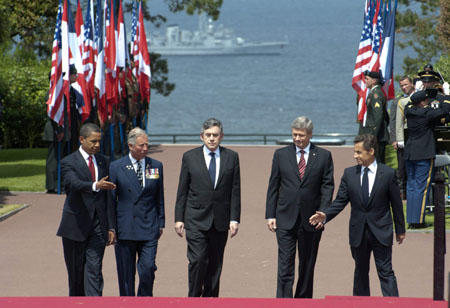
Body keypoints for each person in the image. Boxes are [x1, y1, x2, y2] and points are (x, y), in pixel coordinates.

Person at [309, 134, 406, 297]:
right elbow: (340, 200)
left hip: (381, 231)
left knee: (385, 271)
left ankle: (393, 304)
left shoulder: (388, 174)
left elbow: (396, 204)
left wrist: (400, 230)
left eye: (359, 152)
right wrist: (325, 216)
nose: (355, 156)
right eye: (355, 152)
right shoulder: (349, 174)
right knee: (360, 272)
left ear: (371, 151)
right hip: (358, 232)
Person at [265, 116, 334, 298]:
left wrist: (323, 213)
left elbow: (327, 187)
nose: (297, 139)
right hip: (285, 219)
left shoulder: (324, 156)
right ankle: (284, 302)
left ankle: (303, 301)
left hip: (311, 220)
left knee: (307, 265)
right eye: (294, 135)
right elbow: (273, 185)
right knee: (285, 265)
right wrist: (270, 215)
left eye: (301, 135)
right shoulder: (281, 155)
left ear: (310, 134)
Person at [174, 118, 241, 297]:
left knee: (215, 264)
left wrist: (234, 219)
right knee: (197, 260)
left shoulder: (232, 157)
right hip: (195, 218)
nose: (212, 138)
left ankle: (211, 300)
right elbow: (182, 190)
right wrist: (179, 218)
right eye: (208, 135)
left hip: (220, 220)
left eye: (215, 135)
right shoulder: (190, 157)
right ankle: (194, 298)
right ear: (202, 137)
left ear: (222, 137)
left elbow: (235, 190)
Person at [56, 123, 116, 296]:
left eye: (99, 141)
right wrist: (95, 185)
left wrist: (111, 226)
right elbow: (72, 183)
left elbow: (108, 197)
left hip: (98, 227)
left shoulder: (104, 160)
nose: (97, 145)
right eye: (93, 141)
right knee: (76, 275)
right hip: (75, 226)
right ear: (81, 139)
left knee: (94, 270)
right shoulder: (68, 162)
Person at [109, 127, 165, 296]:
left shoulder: (155, 166)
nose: (145, 149)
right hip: (125, 227)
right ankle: (127, 303)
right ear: (130, 146)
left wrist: (161, 222)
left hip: (149, 226)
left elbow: (159, 197)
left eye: (147, 145)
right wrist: (111, 227)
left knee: (148, 268)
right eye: (141, 145)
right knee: (126, 275)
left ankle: (144, 301)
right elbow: (111, 200)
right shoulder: (116, 167)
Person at [404, 91, 450, 228]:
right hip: (423, 153)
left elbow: (408, 104)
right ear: (422, 102)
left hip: (410, 153)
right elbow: (445, 110)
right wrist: (447, 97)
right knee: (422, 188)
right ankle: (418, 221)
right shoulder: (427, 113)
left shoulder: (409, 111)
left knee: (411, 187)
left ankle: (411, 220)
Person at [392, 76, 415, 199]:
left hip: (416, 136)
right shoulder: (398, 101)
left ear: (412, 84)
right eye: (402, 86)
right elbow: (395, 121)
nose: (404, 87)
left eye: (406, 84)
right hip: (403, 137)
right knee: (402, 166)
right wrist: (396, 138)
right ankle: (403, 190)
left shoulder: (420, 98)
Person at [358, 70, 389, 163]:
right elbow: (386, 116)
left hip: (377, 137)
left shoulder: (376, 94)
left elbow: (378, 116)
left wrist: (373, 135)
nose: (365, 81)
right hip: (376, 135)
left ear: (374, 81)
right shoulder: (373, 93)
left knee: (377, 163)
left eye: (367, 79)